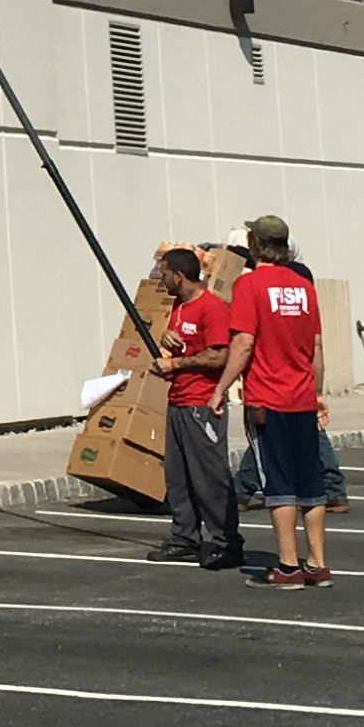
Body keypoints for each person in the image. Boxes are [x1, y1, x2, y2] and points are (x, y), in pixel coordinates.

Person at [216, 213, 331, 589]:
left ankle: (286, 566)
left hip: (268, 399)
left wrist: (221, 387)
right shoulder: (304, 287)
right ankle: (316, 563)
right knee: (310, 483)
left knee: (278, 482)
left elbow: (244, 342)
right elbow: (316, 347)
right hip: (301, 397)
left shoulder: (249, 286)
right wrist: (316, 393)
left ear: (255, 245)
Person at [149, 248, 245, 569]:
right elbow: (182, 345)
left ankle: (226, 542)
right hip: (177, 401)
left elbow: (219, 356)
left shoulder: (212, 309)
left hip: (202, 405)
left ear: (178, 275)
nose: (160, 279)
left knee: (209, 476)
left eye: (163, 273)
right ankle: (185, 537)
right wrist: (167, 343)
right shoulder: (179, 306)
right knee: (178, 477)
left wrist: (176, 362)